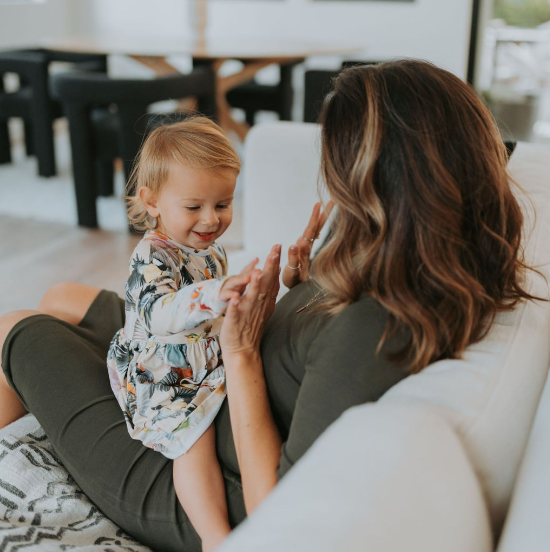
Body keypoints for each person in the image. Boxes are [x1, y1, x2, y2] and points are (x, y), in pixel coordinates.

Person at [0, 60, 538, 552]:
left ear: (377, 177)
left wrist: (240, 355)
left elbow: (274, 507)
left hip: (199, 454)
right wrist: (302, 286)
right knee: (62, 296)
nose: (331, 176)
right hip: (203, 358)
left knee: (17, 326)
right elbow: (301, 343)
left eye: (337, 159)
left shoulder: (375, 326)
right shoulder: (399, 255)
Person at [106, 117, 257, 552]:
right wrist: (213, 294)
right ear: (151, 201)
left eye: (223, 203)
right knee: (192, 436)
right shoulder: (151, 255)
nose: (211, 219)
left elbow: (211, 313)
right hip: (159, 374)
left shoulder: (212, 250)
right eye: (194, 207)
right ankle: (214, 535)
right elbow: (160, 313)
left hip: (202, 359)